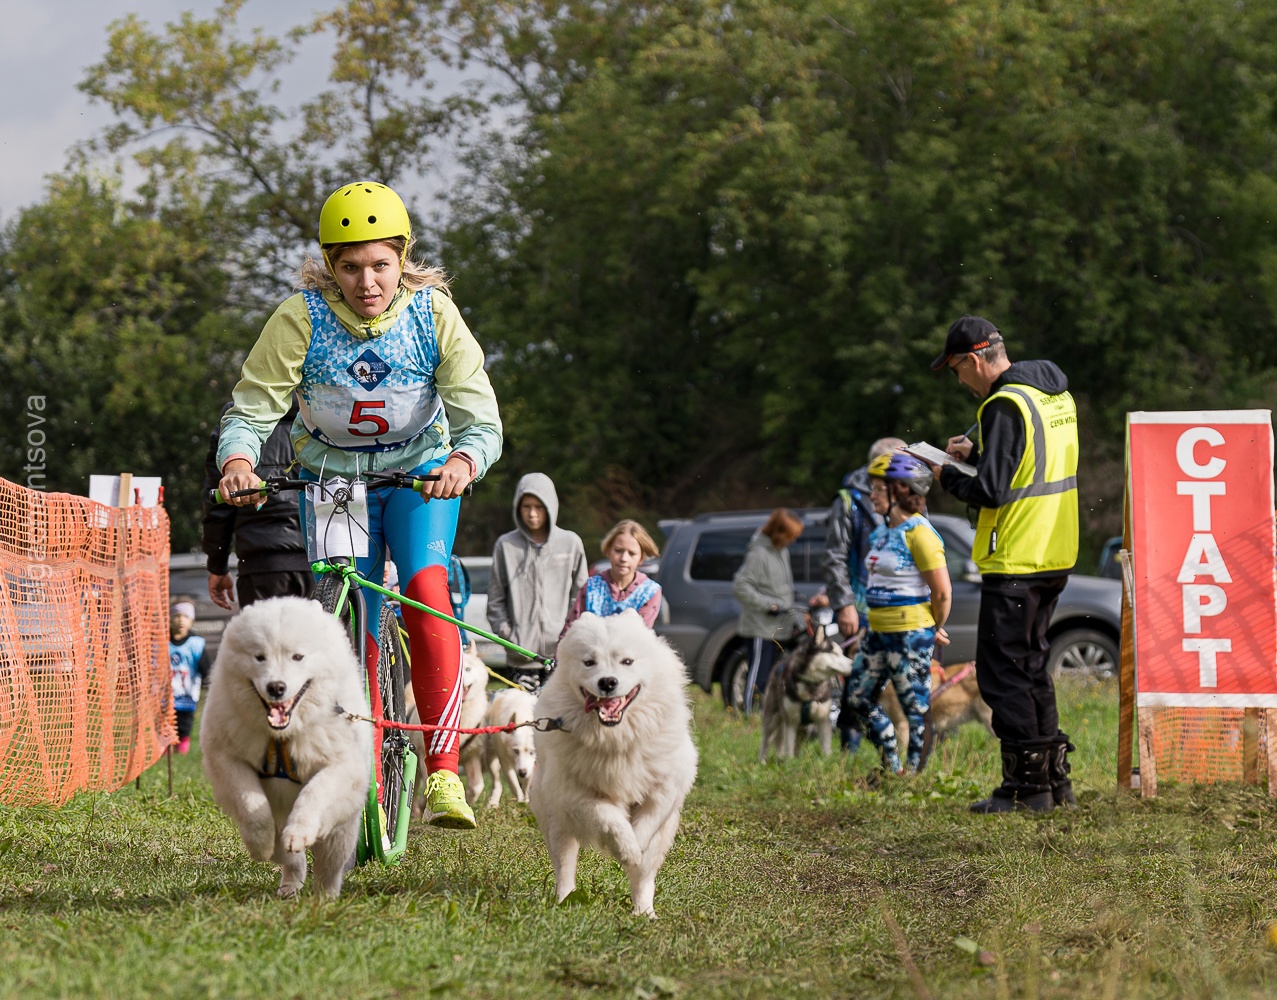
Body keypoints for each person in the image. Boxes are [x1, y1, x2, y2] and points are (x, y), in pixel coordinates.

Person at [214, 180, 502, 829]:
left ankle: (446, 770)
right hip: (334, 485)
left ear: (402, 257)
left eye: (379, 263)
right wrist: (237, 461)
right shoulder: (301, 318)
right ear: (329, 265)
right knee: (352, 624)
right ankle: (358, 760)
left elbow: (480, 418)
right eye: (349, 266)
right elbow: (252, 407)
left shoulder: (431, 315)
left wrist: (463, 462)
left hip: (420, 477)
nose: (366, 280)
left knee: (428, 597)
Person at [926, 314, 1079, 812]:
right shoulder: (1051, 395)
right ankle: (1054, 784)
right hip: (1054, 552)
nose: (960, 382)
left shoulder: (1003, 404)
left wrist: (947, 473)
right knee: (1032, 666)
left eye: (956, 370)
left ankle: (1025, 789)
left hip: (1016, 555)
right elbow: (1031, 462)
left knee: (1003, 674)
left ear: (973, 359)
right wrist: (980, 452)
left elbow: (993, 489)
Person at [841, 453, 951, 773]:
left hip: (909, 632)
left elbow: (942, 591)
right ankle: (891, 760)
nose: (871, 495)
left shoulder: (921, 533)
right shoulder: (881, 532)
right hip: (876, 631)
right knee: (858, 699)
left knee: (915, 709)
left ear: (900, 491)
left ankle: (913, 779)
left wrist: (935, 625)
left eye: (877, 489)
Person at [824, 435, 907, 750]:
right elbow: (834, 557)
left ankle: (898, 745)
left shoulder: (908, 494)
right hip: (859, 607)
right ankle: (852, 745)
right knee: (857, 679)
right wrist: (844, 604)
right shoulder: (848, 500)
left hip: (900, 605)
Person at [202, 399, 314, 609]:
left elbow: (219, 504)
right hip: (326, 553)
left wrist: (217, 565)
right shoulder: (330, 405)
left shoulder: (238, 413)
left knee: (264, 642)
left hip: (261, 564)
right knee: (328, 641)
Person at [488, 473, 588, 687]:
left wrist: (569, 635)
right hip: (521, 659)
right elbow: (495, 601)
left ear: (551, 506)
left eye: (539, 507)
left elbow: (581, 597)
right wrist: (510, 638)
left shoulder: (571, 543)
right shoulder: (505, 545)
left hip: (562, 657)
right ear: (517, 507)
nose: (532, 514)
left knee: (560, 718)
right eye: (526, 507)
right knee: (523, 717)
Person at [732, 508, 804, 714]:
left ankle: (765, 714)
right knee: (757, 674)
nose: (793, 540)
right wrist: (768, 604)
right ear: (780, 532)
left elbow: (779, 585)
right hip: (759, 627)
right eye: (791, 535)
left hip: (778, 627)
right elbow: (740, 587)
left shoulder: (782, 551)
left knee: (772, 676)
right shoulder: (758, 554)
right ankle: (748, 715)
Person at [562, 519, 662, 634]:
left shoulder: (650, 592)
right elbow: (571, 629)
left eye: (632, 553)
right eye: (618, 551)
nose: (624, 558)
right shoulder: (591, 587)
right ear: (608, 550)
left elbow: (640, 636)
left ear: (641, 558)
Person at [169, 600, 210, 755]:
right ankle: (168, 750)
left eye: (185, 616)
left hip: (187, 695)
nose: (181, 620)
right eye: (176, 616)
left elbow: (207, 668)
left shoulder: (196, 644)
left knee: (184, 725)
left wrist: (210, 686)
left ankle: (182, 750)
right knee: (167, 725)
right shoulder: (162, 643)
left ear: (191, 620)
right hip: (166, 696)